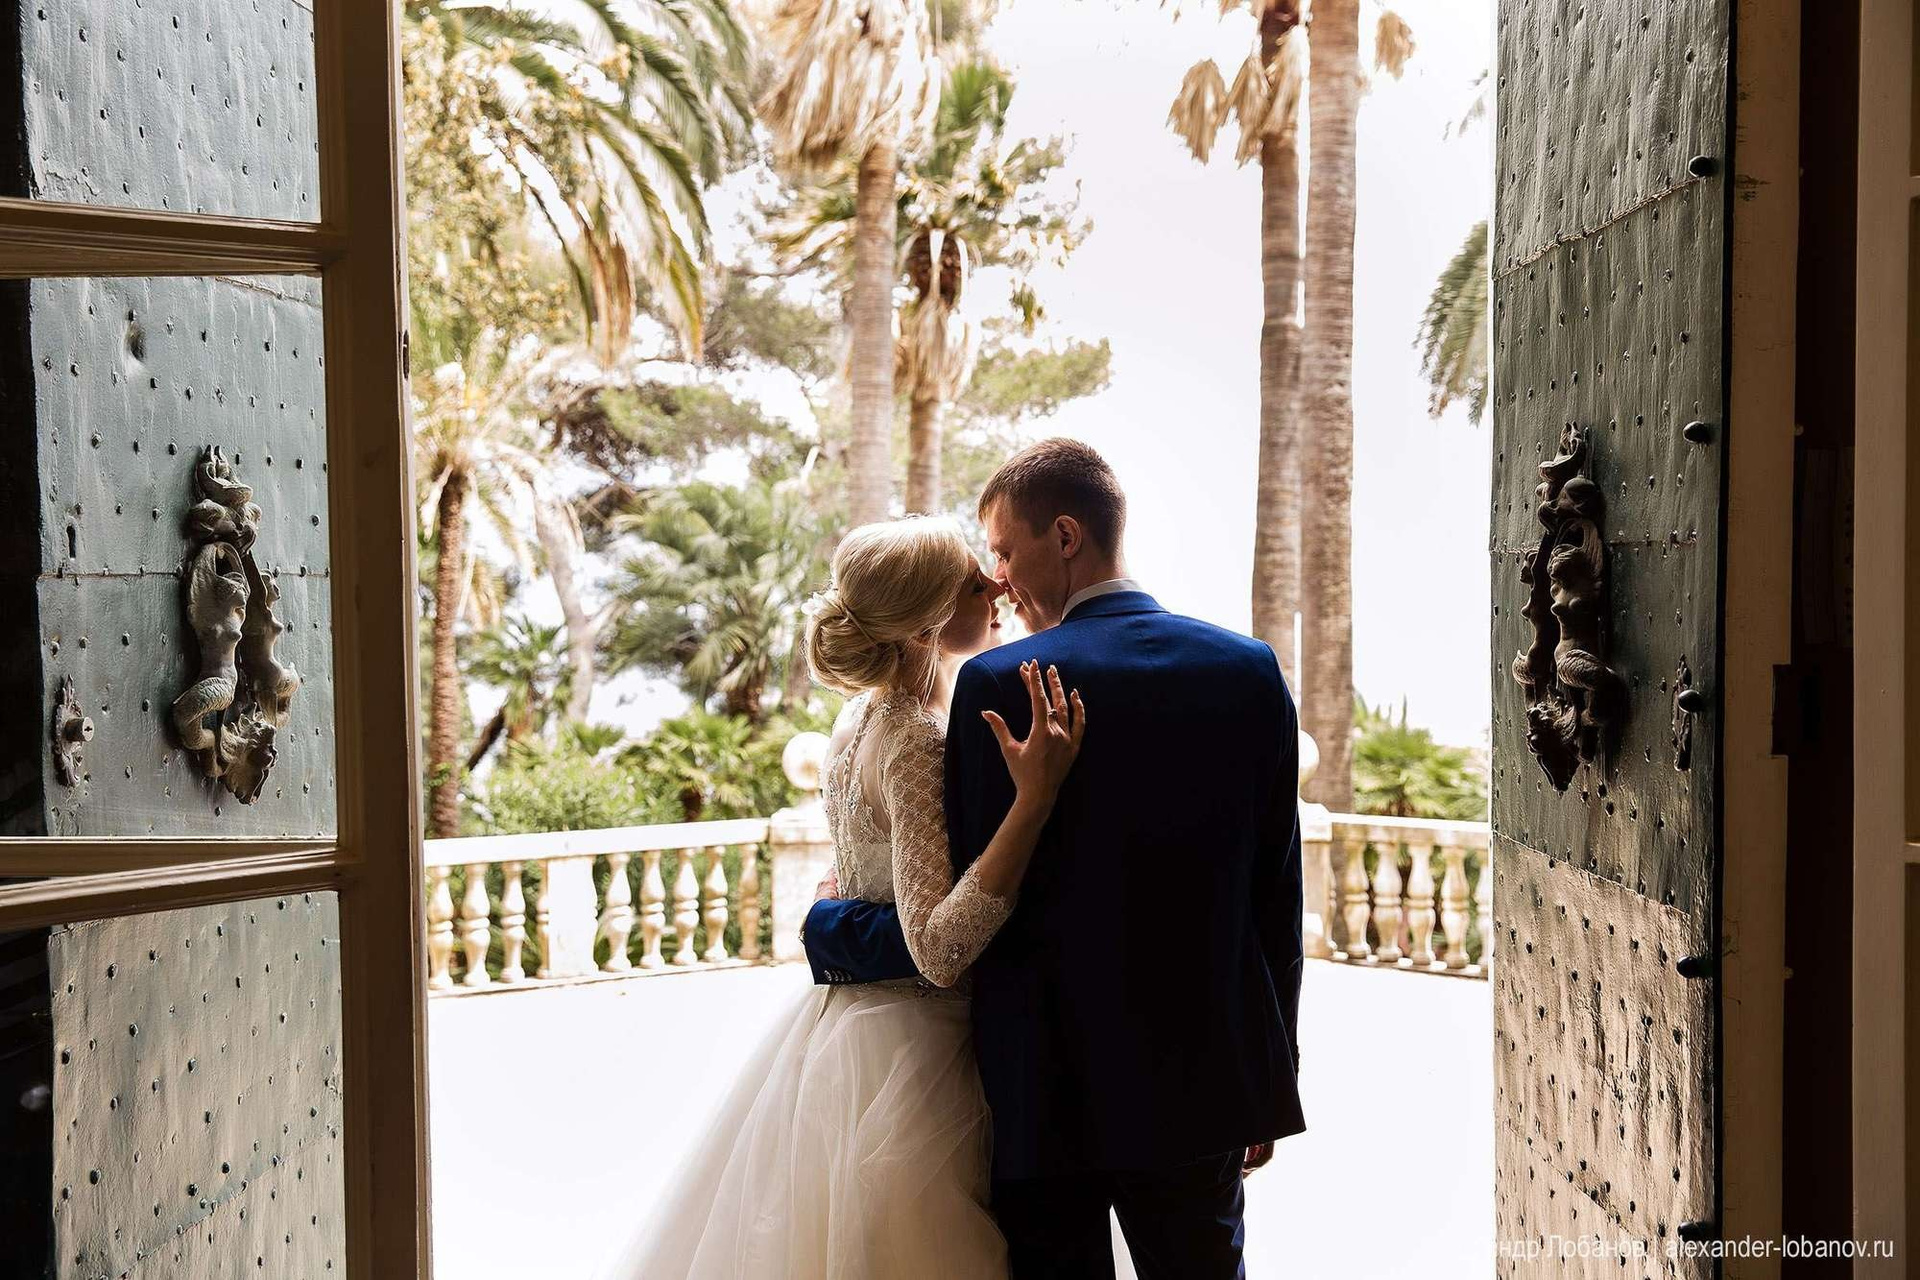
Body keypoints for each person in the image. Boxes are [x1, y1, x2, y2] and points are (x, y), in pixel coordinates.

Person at [803, 438, 1305, 1280]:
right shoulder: (1249, 669)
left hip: (1043, 1092)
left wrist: (831, 929)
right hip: (1203, 1083)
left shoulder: (998, 684)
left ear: (1065, 537)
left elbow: (968, 912)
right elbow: (1275, 898)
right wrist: (1271, 1070)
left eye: (1003, 551)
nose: (999, 579)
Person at [600, 515, 1085, 1280]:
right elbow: (938, 948)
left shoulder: (857, 717)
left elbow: (853, 877)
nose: (995, 585)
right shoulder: (915, 736)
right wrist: (1035, 800)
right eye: (972, 582)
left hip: (843, 1029)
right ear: (925, 624)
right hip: (915, 1056)